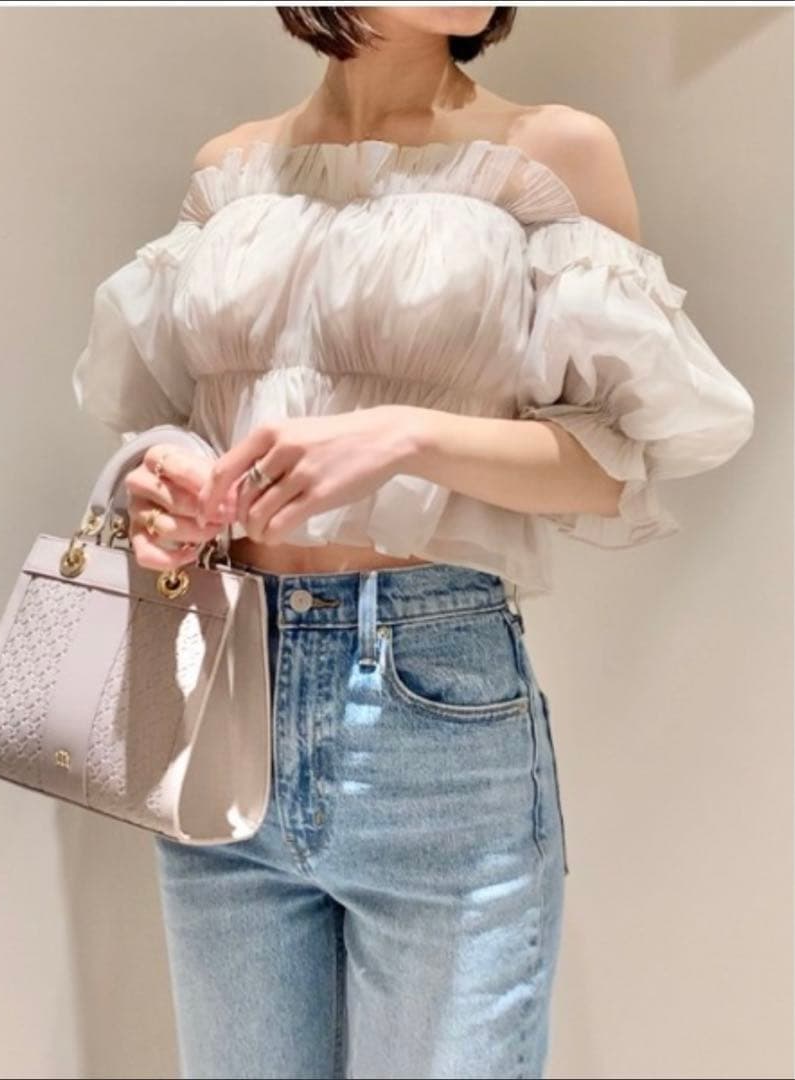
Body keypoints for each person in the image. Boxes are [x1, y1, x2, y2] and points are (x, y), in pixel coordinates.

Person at [70, 7, 756, 1078]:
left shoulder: (548, 155)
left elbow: (619, 458)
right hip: (223, 708)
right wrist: (165, 484)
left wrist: (407, 436)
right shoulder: (229, 175)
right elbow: (173, 417)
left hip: (430, 704)